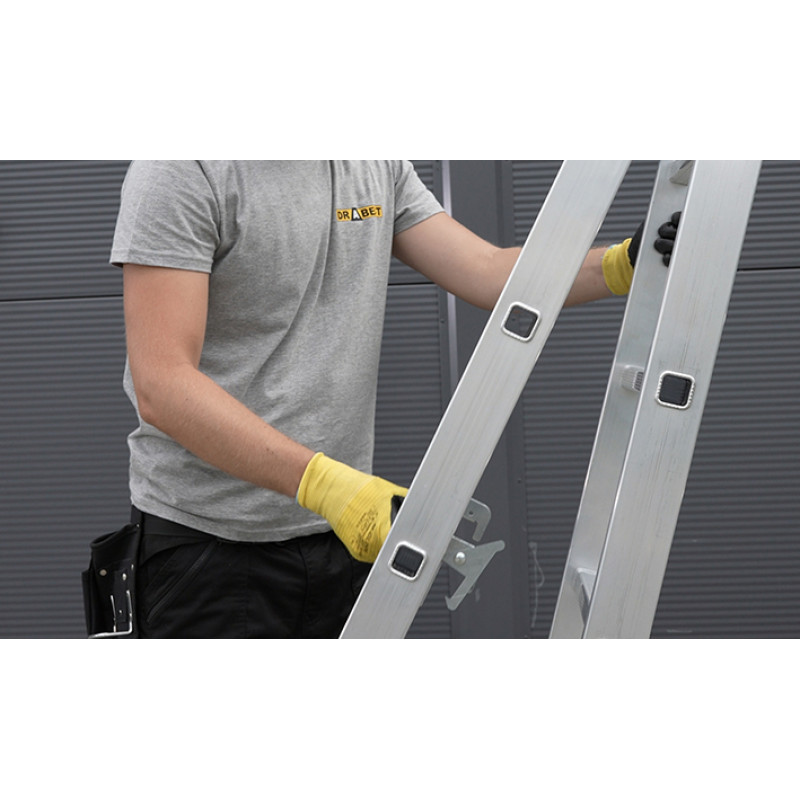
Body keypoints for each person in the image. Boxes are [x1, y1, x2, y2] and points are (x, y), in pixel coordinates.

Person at [110, 160, 677, 638]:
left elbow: (487, 271)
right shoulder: (182, 171)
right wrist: (329, 486)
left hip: (337, 537)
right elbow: (163, 383)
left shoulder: (371, 161)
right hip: (208, 549)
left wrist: (620, 264)